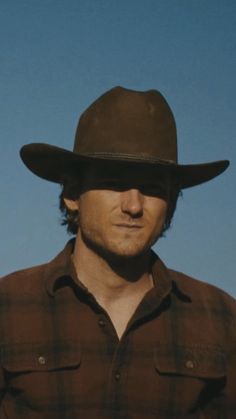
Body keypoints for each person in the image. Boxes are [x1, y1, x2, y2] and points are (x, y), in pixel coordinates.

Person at [0, 86, 235, 419]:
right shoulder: (8, 307)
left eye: (153, 188)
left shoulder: (221, 319)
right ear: (71, 193)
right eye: (114, 182)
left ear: (170, 202)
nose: (134, 206)